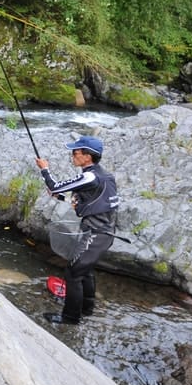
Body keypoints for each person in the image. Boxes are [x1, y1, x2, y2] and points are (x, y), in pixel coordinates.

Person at [35, 135, 120, 325]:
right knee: (85, 270)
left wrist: (44, 169)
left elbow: (55, 186)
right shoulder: (105, 176)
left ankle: (70, 318)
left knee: (73, 273)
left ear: (88, 156)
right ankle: (87, 309)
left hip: (96, 234)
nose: (72, 154)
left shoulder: (89, 176)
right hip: (102, 233)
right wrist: (61, 198)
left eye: (76, 151)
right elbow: (87, 203)